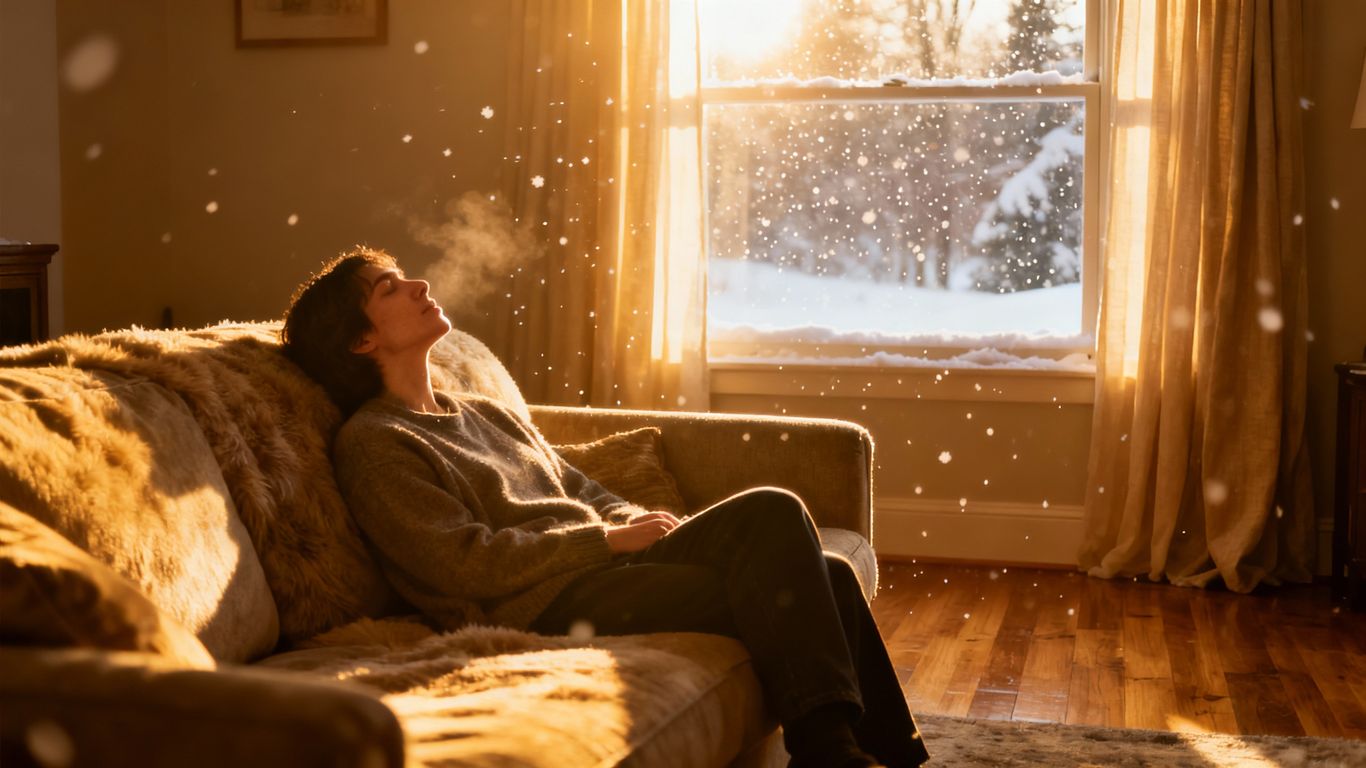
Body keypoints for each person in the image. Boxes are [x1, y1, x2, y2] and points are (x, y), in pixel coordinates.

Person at [281, 247, 930, 768]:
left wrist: (630, 521)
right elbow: (460, 563)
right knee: (772, 509)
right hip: (545, 603)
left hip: (604, 574)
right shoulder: (376, 443)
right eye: (389, 288)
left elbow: (577, 488)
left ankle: (891, 756)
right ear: (360, 341)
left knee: (829, 573)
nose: (418, 285)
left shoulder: (481, 414)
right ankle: (826, 752)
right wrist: (608, 542)